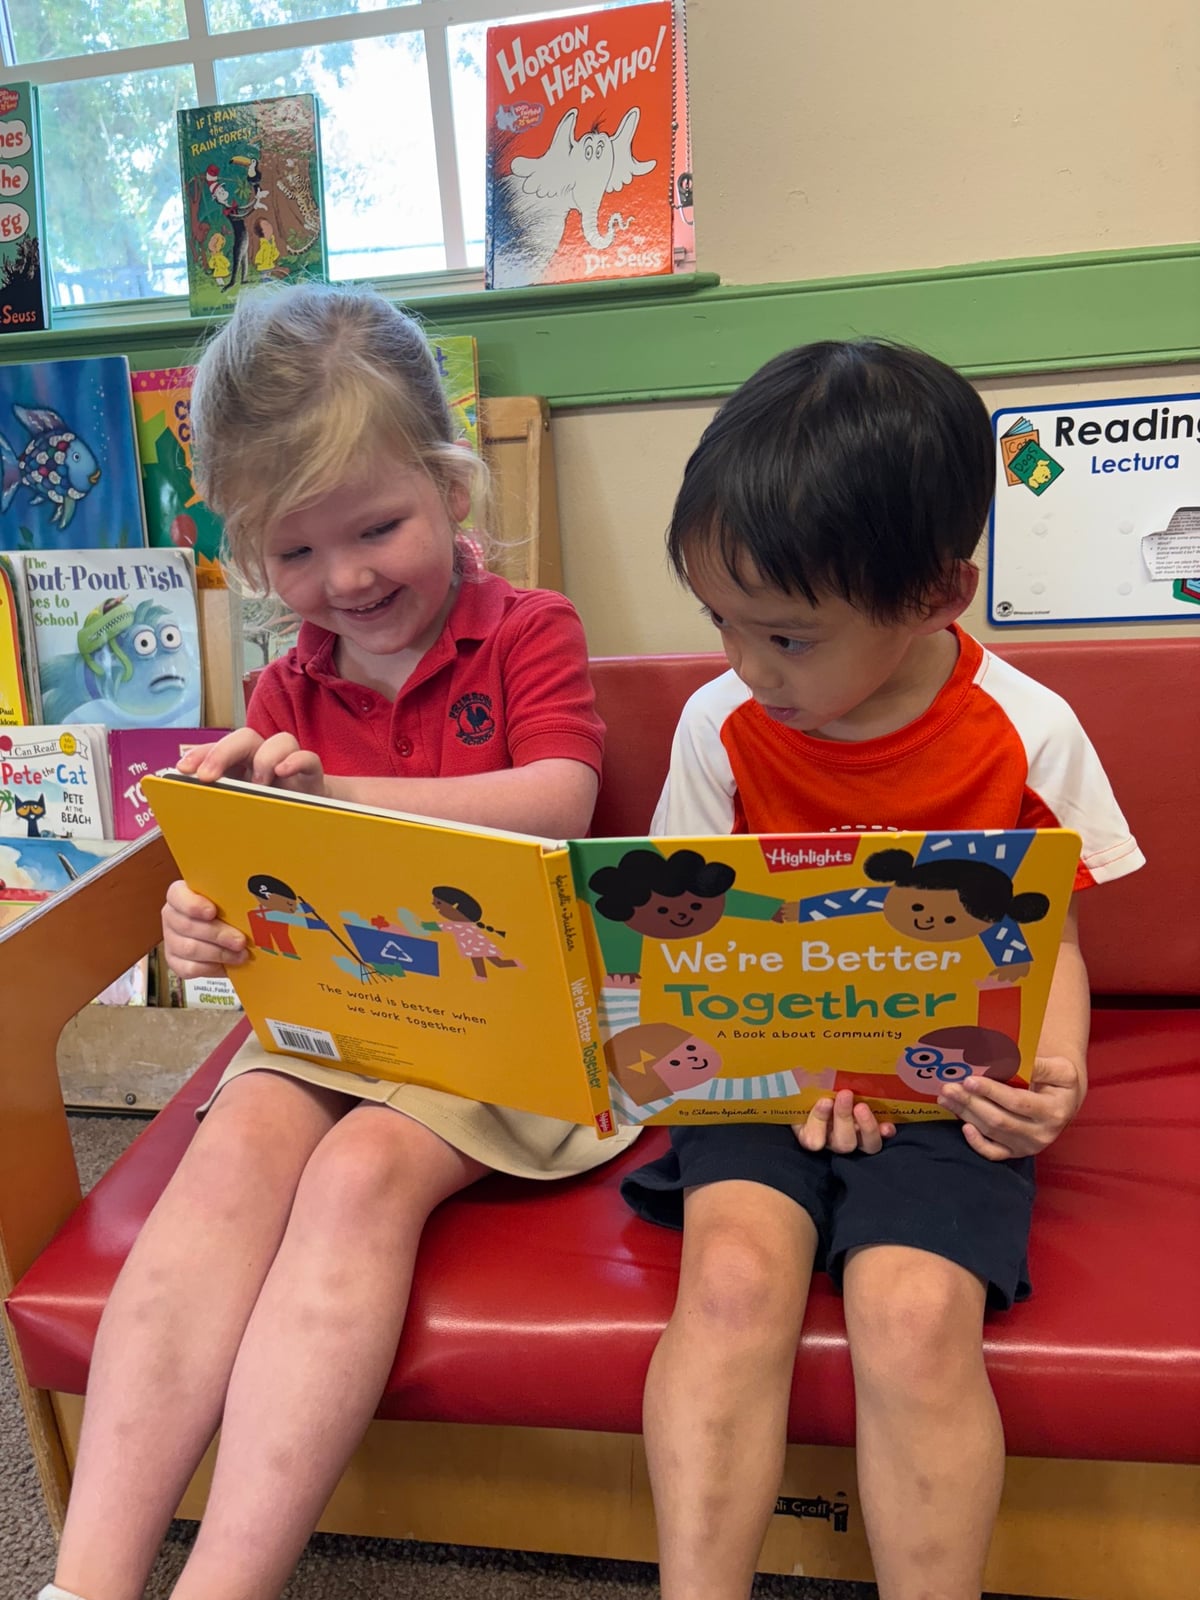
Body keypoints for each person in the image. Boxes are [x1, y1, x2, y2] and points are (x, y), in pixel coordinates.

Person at [40, 281, 638, 1600]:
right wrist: (202, 919)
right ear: (251, 557)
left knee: (362, 1173)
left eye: (379, 527)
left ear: (453, 491)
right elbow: (257, 892)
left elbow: (556, 809)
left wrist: (331, 798)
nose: (348, 578)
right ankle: (85, 1581)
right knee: (232, 1156)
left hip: (501, 1034)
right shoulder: (282, 687)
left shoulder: (530, 632)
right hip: (325, 1019)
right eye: (297, 556)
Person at [619, 339, 1144, 1600]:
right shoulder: (720, 727)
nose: (748, 666)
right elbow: (684, 937)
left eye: (788, 635)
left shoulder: (1026, 729)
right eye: (722, 624)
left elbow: (1052, 937)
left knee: (913, 1318)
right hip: (765, 1072)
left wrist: (1051, 1079)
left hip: (948, 1095)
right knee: (734, 1283)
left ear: (936, 594)